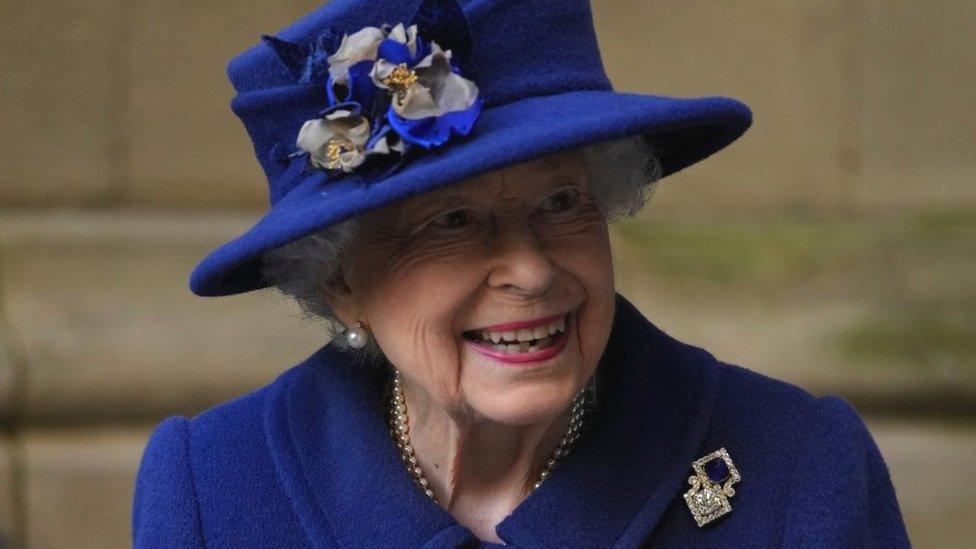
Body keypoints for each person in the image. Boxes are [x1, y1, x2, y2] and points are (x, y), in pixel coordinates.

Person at [131, 0, 910, 547]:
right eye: (454, 223)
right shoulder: (214, 487)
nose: (532, 270)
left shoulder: (798, 467)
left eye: (563, 202)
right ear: (340, 281)